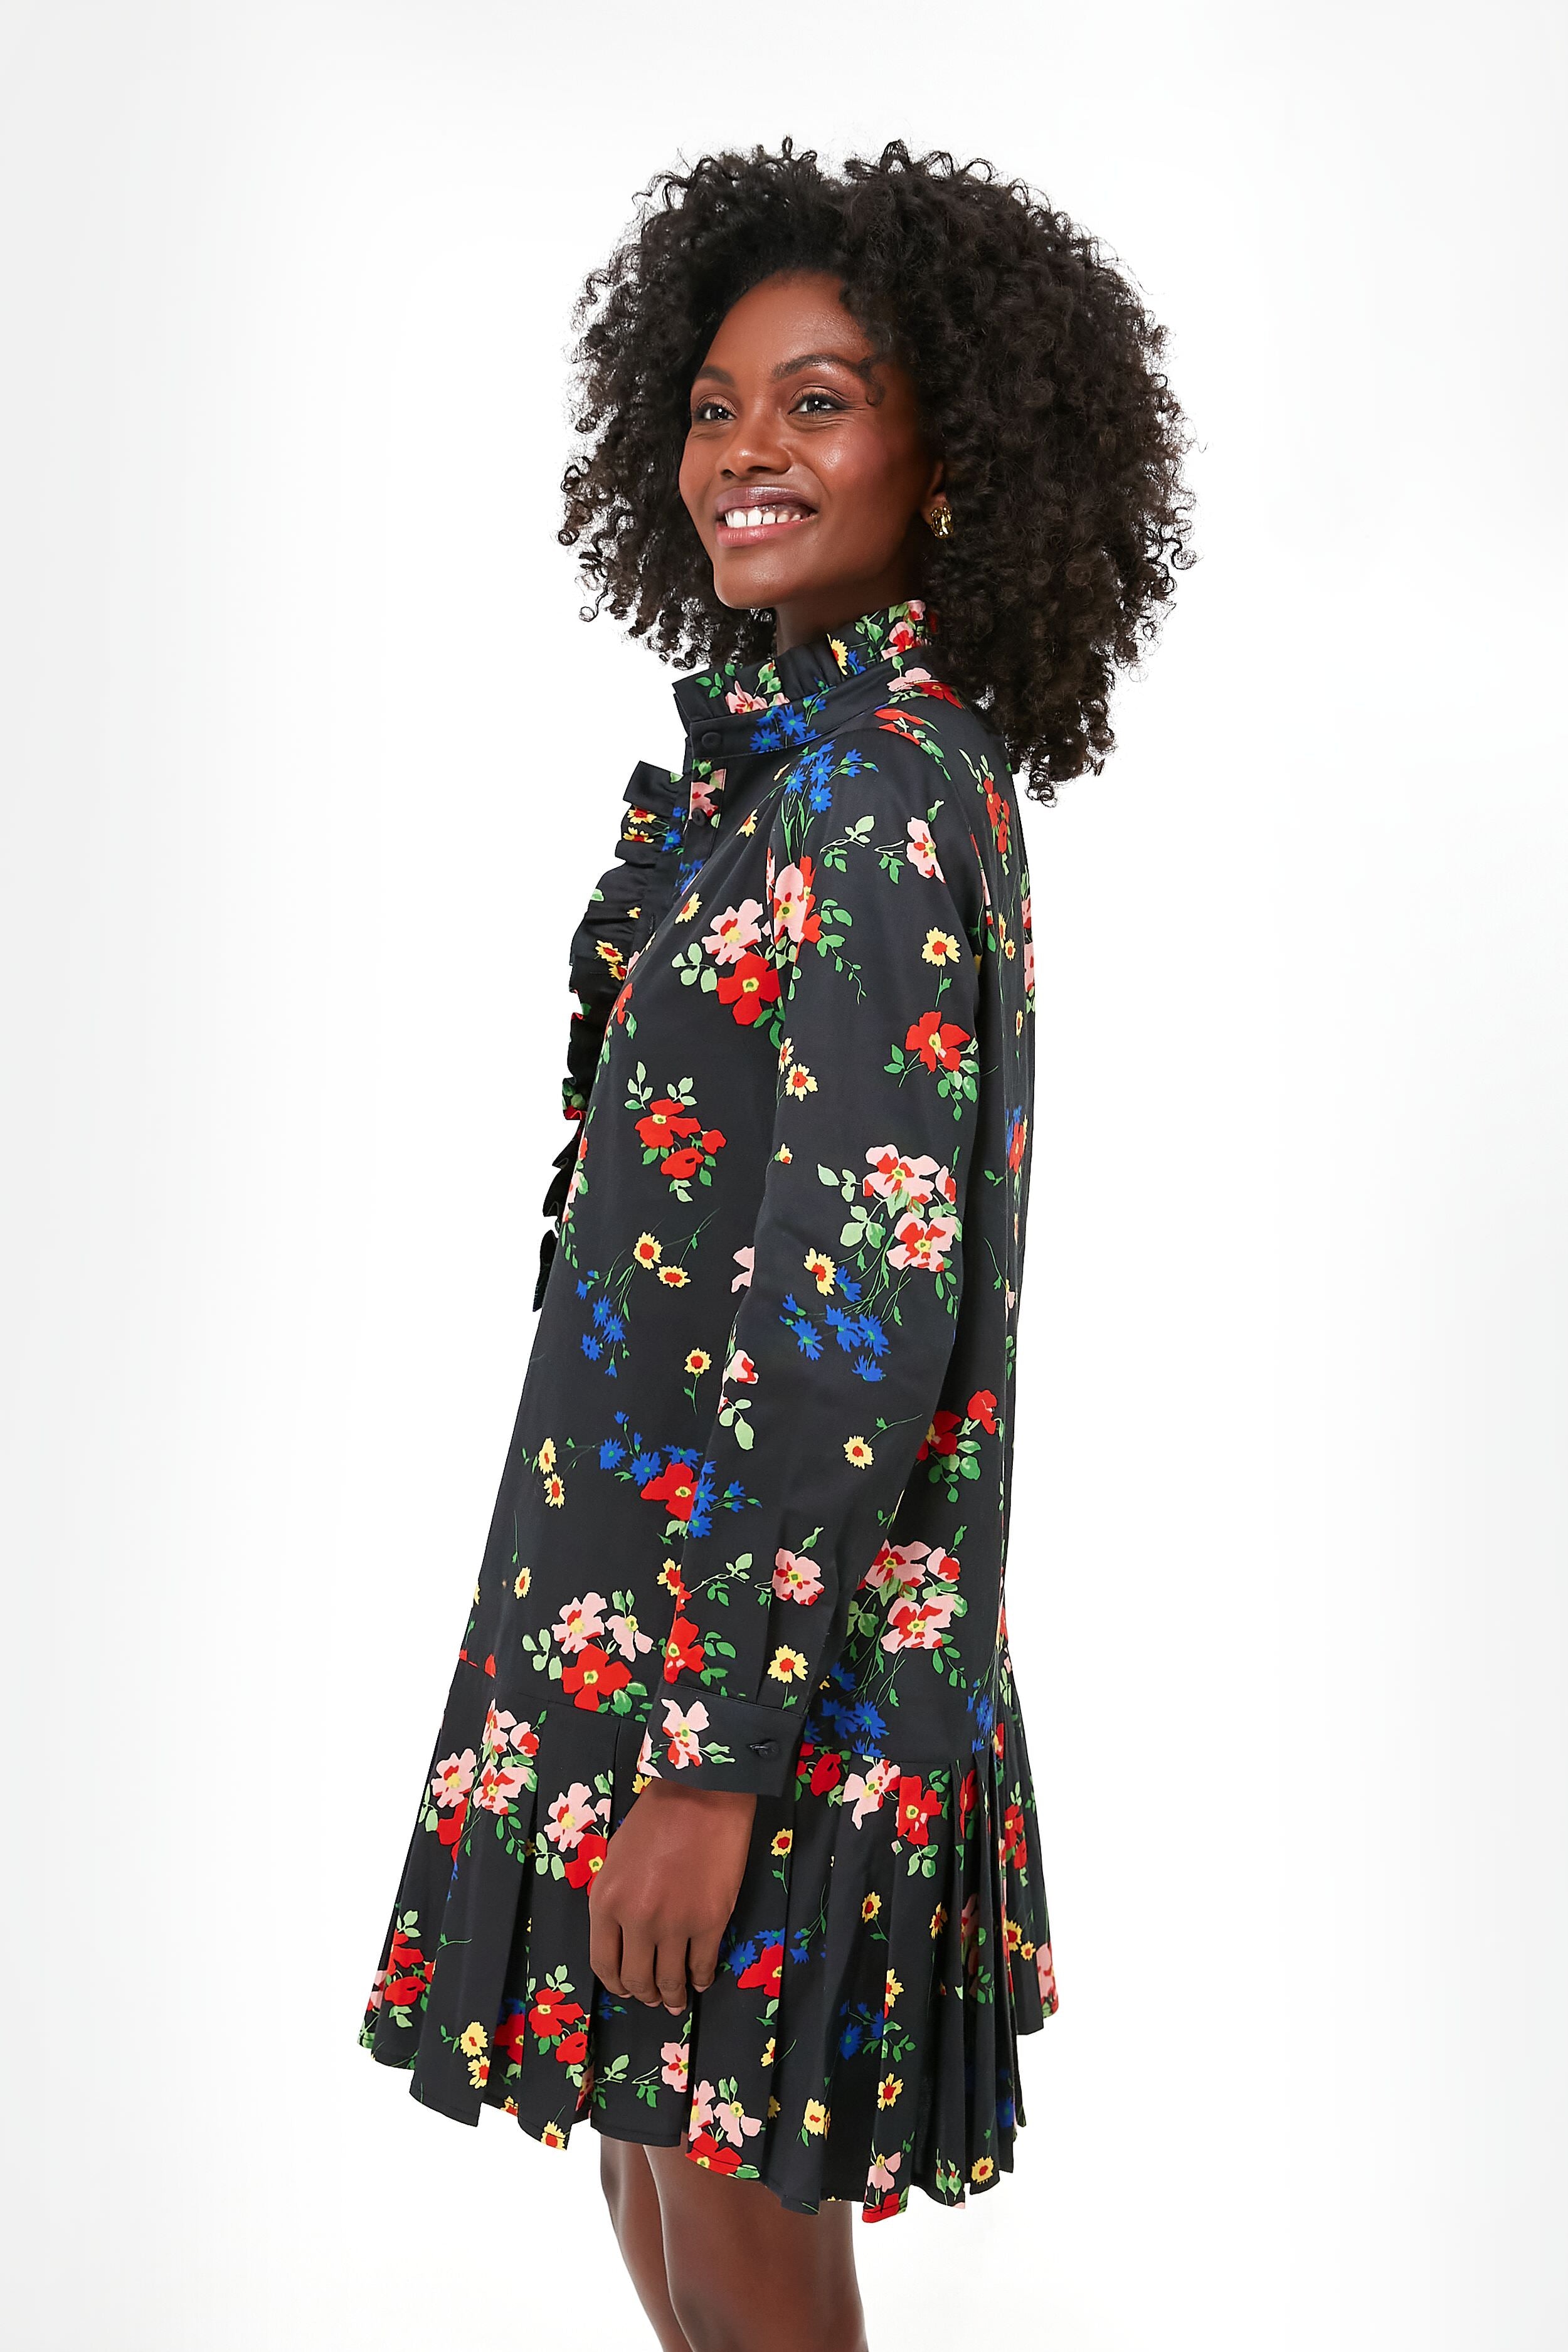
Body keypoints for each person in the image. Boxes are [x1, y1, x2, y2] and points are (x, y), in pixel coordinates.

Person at [361, 140, 1190, 2352]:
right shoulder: (803, 767)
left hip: (754, 1672)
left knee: (738, 2264)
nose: (748, 448)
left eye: (818, 403)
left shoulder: (874, 797)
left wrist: (712, 1758)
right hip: (652, 1620)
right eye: (717, 405)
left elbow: (853, 1320)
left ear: (952, 460)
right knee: (659, 2200)